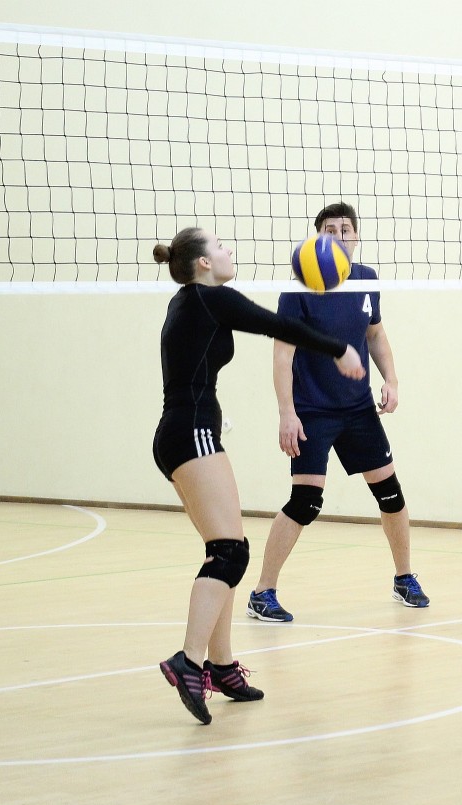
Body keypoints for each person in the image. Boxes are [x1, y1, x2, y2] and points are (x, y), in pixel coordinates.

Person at [153, 227, 366, 724]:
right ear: (203, 263)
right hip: (191, 433)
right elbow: (277, 325)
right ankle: (189, 661)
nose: (228, 250)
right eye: (219, 246)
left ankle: (222, 666)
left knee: (224, 551)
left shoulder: (187, 302)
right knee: (230, 553)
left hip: (182, 433)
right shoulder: (211, 298)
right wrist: (339, 348)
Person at [247, 202, 429, 624]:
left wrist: (392, 380)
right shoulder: (298, 290)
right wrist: (287, 412)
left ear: (356, 237)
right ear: (317, 238)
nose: (339, 236)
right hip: (312, 411)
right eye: (330, 229)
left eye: (346, 229)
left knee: (391, 495)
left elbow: (376, 334)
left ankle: (404, 577)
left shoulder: (366, 280)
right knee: (306, 502)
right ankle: (262, 592)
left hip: (358, 409)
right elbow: (282, 355)